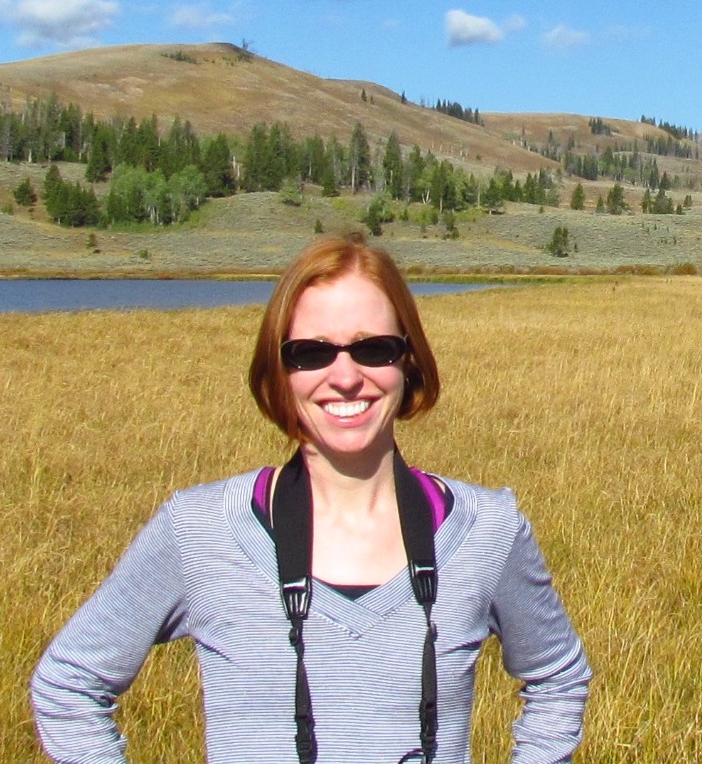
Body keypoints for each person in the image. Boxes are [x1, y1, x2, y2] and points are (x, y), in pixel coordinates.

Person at [31, 232, 591, 764]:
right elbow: (68, 685)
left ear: (409, 360)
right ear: (279, 371)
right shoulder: (200, 530)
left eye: (374, 349)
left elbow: (558, 677)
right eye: (310, 354)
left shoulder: (486, 530)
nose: (345, 377)